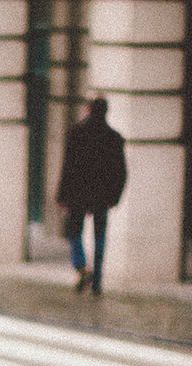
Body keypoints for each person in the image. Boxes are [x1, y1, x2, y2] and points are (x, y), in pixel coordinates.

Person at [54, 97, 127, 295]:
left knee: (75, 233)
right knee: (99, 237)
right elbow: (121, 171)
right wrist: (115, 197)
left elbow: (68, 166)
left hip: (78, 193)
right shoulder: (114, 137)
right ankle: (98, 279)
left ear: (88, 110)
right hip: (102, 196)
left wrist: (62, 195)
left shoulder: (76, 133)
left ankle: (82, 267)